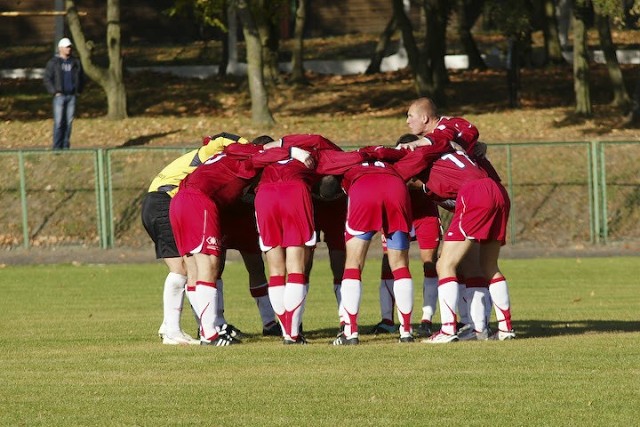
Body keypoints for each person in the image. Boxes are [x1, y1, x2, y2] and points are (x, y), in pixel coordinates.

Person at [169, 141, 312, 345]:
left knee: (193, 269)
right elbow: (260, 156)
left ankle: (206, 329)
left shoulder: (227, 156)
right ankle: (210, 334)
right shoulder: (247, 159)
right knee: (209, 265)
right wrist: (293, 151)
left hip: (179, 200)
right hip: (198, 200)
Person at [142, 132, 276, 345]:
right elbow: (222, 139)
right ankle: (174, 329)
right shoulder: (216, 153)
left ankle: (204, 326)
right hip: (166, 199)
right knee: (183, 270)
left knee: (190, 269)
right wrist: (247, 145)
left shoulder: (217, 160)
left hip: (165, 200)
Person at [43, 37, 84, 150]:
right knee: (59, 122)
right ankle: (57, 147)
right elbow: (47, 78)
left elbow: (81, 77)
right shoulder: (54, 62)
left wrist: (79, 91)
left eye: (70, 47)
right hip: (59, 96)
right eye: (66, 47)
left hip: (71, 96)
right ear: (60, 48)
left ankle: (66, 146)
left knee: (69, 122)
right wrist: (54, 92)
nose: (69, 49)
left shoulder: (75, 62)